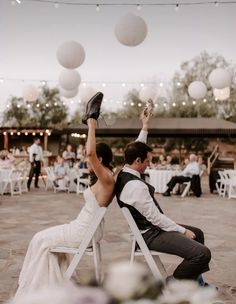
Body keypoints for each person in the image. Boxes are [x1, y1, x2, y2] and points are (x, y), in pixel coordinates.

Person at [15, 92, 115, 298]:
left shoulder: (106, 178)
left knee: (38, 239)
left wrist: (92, 123)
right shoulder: (107, 177)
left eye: (93, 157)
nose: (87, 160)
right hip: (84, 228)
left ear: (100, 157)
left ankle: (38, 290)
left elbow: (89, 153)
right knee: (43, 240)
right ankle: (50, 284)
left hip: (82, 232)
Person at [115, 108, 211, 282]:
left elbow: (138, 146)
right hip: (149, 234)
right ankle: (173, 284)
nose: (148, 165)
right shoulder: (136, 187)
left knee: (198, 233)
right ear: (137, 161)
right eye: (147, 161)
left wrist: (145, 125)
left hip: (151, 229)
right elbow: (156, 218)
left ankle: (196, 284)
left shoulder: (125, 171)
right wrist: (183, 231)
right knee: (202, 253)